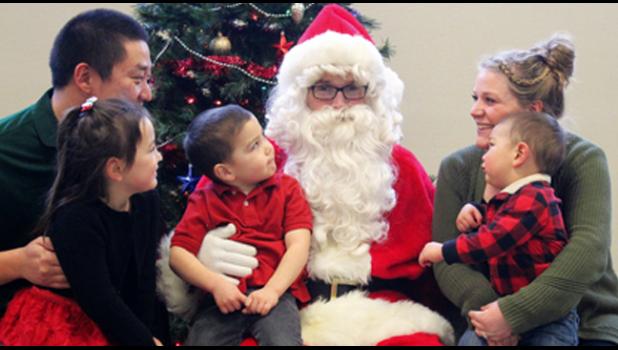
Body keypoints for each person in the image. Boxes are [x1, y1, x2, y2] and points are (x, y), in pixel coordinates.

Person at [159, 4, 454, 346]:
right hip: (280, 306)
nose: (340, 103)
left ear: (372, 95)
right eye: (324, 89)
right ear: (300, 95)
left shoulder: (400, 166)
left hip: (380, 312)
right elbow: (198, 218)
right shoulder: (264, 157)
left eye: (353, 88)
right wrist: (201, 260)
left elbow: (436, 264)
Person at [432, 34, 618, 346]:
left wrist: (515, 313)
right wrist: (493, 316)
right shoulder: (457, 167)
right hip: (483, 318)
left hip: (582, 320)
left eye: (489, 101)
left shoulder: (584, 160)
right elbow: (445, 256)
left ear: (533, 112)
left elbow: (587, 252)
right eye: (474, 98)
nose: (474, 111)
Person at [0, 8, 153, 318]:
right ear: (84, 77)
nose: (147, 93)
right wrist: (16, 263)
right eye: (137, 79)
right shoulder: (7, 148)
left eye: (149, 80)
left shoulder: (135, 149)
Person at [0, 98, 163, 345]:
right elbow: (100, 300)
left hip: (109, 317)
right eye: (151, 149)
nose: (160, 156)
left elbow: (144, 278)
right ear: (116, 169)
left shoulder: (146, 199)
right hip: (66, 325)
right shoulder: (76, 219)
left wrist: (149, 336)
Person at [420, 111, 579, 345]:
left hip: (546, 318)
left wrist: (443, 251)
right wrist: (474, 210)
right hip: (504, 306)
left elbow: (494, 240)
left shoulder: (537, 198)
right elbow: (500, 219)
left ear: (519, 154)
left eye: (492, 146)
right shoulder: (512, 199)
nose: (483, 155)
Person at [169, 105, 312, 346]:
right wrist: (215, 284)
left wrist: (273, 291)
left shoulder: (287, 189)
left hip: (275, 296)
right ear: (225, 172)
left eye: (262, 136)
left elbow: (299, 245)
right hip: (223, 300)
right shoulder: (205, 199)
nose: (268, 147)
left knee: (282, 341)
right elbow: (177, 254)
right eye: (254, 145)